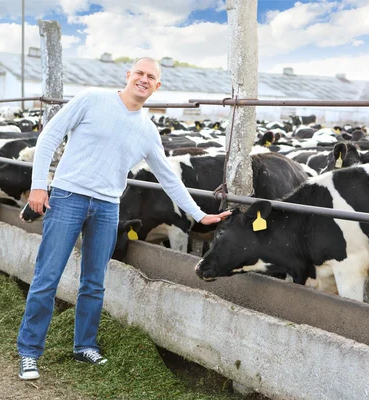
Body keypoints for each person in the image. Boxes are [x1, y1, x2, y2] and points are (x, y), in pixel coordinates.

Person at [17, 57, 231, 380]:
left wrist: (200, 214)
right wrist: (37, 186)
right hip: (68, 196)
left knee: (95, 281)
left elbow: (170, 180)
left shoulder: (147, 131)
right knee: (48, 275)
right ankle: (29, 351)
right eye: (140, 73)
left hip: (107, 206)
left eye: (152, 77)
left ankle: (84, 345)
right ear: (128, 75)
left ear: (157, 86)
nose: (144, 80)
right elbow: (50, 135)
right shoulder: (92, 99)